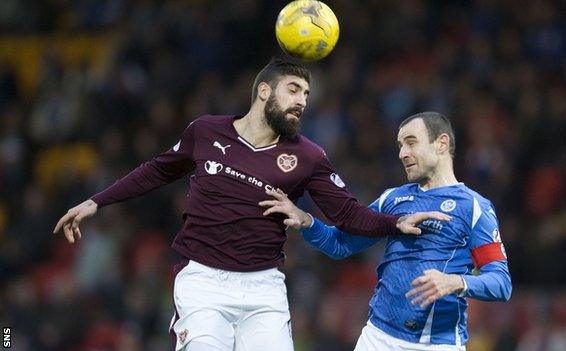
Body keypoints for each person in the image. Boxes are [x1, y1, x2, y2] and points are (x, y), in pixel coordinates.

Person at [52, 59, 448, 351]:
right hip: (203, 281)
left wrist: (394, 223)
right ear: (264, 91)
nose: (302, 101)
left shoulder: (308, 156)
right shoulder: (205, 131)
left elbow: (347, 213)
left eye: (306, 94)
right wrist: (96, 201)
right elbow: (157, 171)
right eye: (293, 89)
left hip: (264, 289)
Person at [260, 112, 512, 351]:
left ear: (441, 143)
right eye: (400, 145)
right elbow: (341, 245)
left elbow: (501, 283)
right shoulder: (393, 199)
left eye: (411, 143)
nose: (403, 153)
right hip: (377, 338)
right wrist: (307, 221)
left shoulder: (473, 207)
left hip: (437, 343)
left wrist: (455, 282)